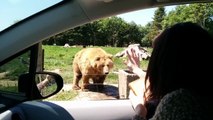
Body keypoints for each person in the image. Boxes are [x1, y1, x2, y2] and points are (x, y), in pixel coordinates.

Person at [125, 22, 213, 120]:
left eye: (156, 56)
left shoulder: (179, 103)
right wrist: (137, 69)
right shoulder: (201, 96)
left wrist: (140, 111)